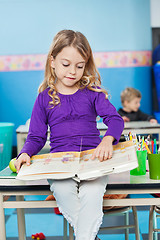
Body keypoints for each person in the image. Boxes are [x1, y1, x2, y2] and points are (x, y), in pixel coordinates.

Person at [15, 29, 124, 240]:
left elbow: (115, 120)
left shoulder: (93, 92)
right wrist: (25, 153)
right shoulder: (44, 98)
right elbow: (36, 136)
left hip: (93, 160)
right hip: (60, 165)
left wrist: (108, 140)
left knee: (91, 196)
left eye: (80, 66)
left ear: (86, 64)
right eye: (66, 64)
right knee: (64, 193)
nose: (73, 71)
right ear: (52, 61)